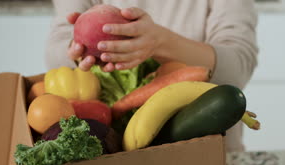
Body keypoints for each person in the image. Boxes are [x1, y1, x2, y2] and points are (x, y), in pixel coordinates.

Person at [45, 0, 259, 152]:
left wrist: (160, 42)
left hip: (209, 153)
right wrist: (78, 49)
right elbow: (56, 52)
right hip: (111, 154)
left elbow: (237, 68)